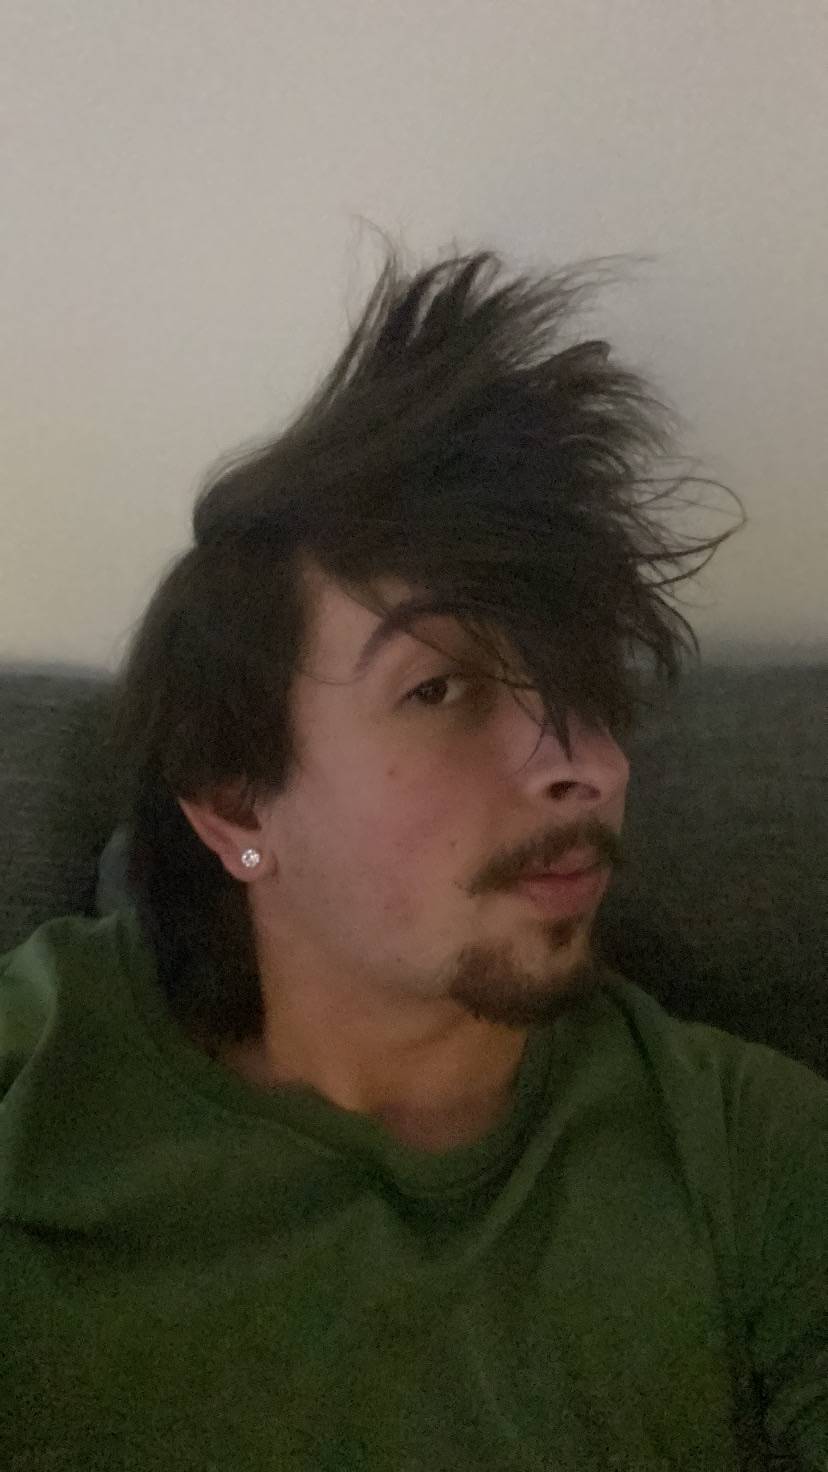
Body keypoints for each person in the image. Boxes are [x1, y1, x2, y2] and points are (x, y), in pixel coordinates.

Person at [1, 242, 825, 1471]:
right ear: (234, 805)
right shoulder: (36, 1073)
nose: (590, 763)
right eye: (442, 687)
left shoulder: (745, 1152)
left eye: (584, 686)